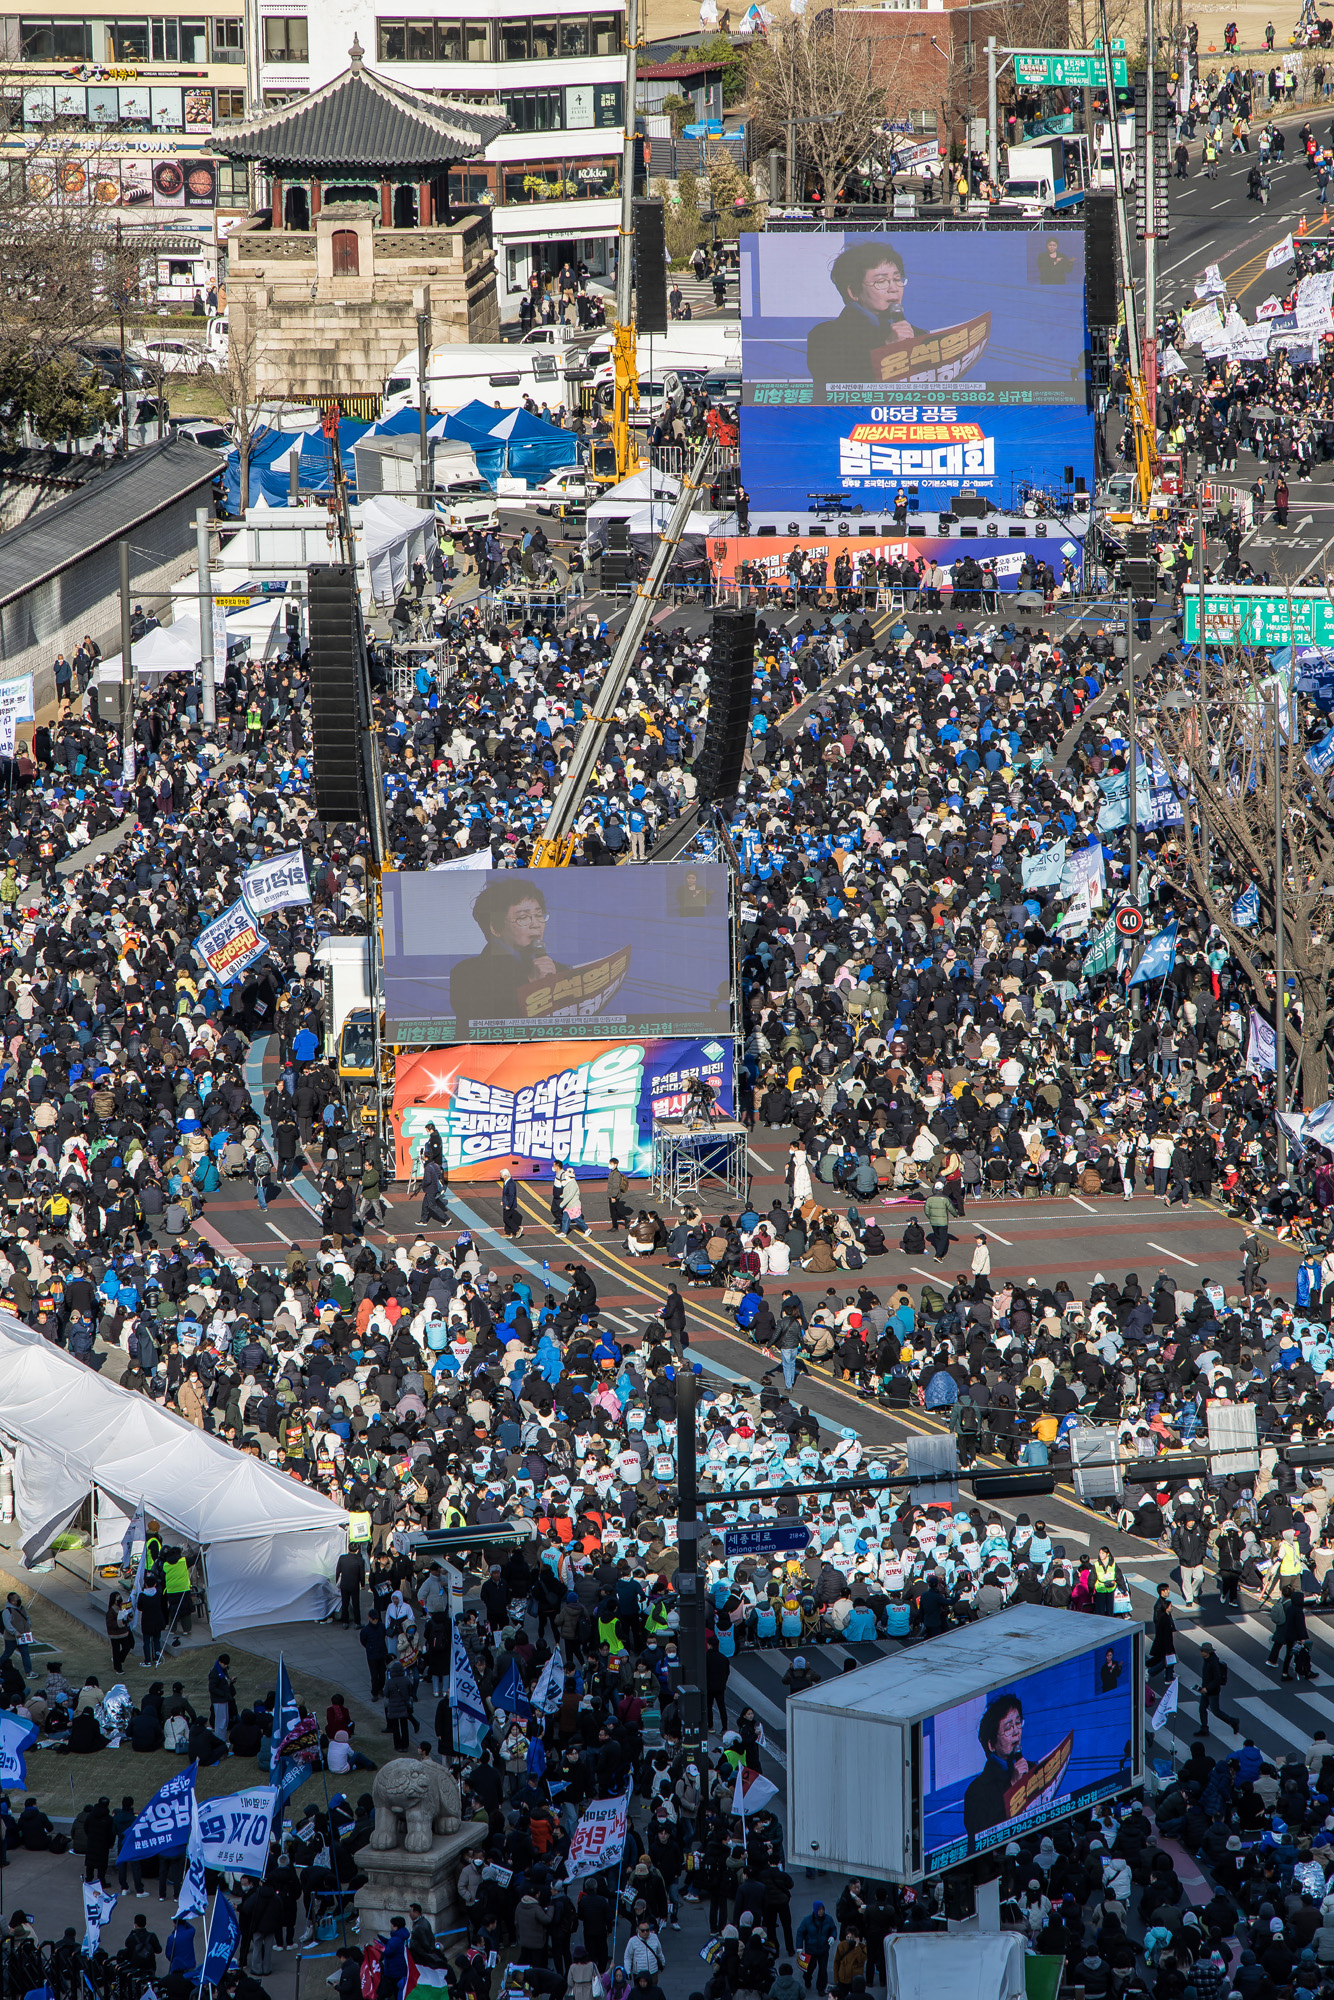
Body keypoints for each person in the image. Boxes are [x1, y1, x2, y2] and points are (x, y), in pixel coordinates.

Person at [804, 243, 931, 398]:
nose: (894, 288)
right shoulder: (826, 335)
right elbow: (836, 387)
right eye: (881, 281)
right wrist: (888, 351)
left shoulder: (917, 334)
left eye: (897, 279)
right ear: (854, 291)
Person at [449, 881, 574, 1034]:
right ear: (495, 928)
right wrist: (531, 983)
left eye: (539, 915)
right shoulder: (468, 973)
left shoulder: (558, 970)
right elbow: (480, 1023)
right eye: (523, 918)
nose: (535, 924)